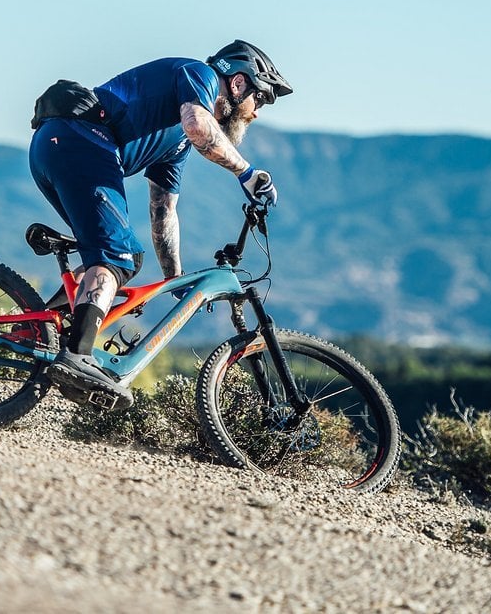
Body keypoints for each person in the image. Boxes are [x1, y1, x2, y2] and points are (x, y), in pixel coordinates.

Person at [28, 39, 293, 409]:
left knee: (112, 258)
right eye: (260, 99)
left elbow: (162, 212)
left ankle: (32, 332)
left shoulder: (176, 145)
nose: (257, 112)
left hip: (58, 147)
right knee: (118, 258)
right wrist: (247, 173)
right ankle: (77, 357)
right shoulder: (199, 76)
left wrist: (175, 281)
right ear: (238, 84)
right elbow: (199, 125)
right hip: (80, 143)